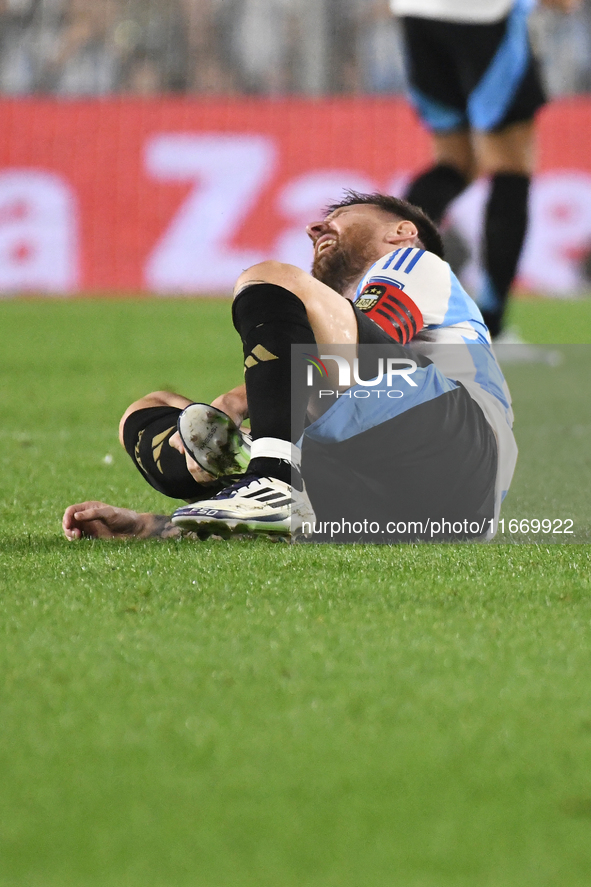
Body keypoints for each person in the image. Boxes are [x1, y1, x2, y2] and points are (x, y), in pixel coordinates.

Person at [63, 191, 517, 544]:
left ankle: (272, 480)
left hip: (458, 445)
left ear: (401, 231)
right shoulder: (346, 322)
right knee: (149, 410)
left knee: (271, 277)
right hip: (407, 509)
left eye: (341, 214)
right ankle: (269, 482)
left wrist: (239, 402)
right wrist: (152, 525)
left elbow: (362, 348)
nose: (315, 225)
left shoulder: (418, 263)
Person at [392, 0, 580, 338]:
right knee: (512, 161)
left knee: (455, 162)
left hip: (416, 12)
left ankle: (381, 291)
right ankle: (490, 328)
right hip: (483, 13)